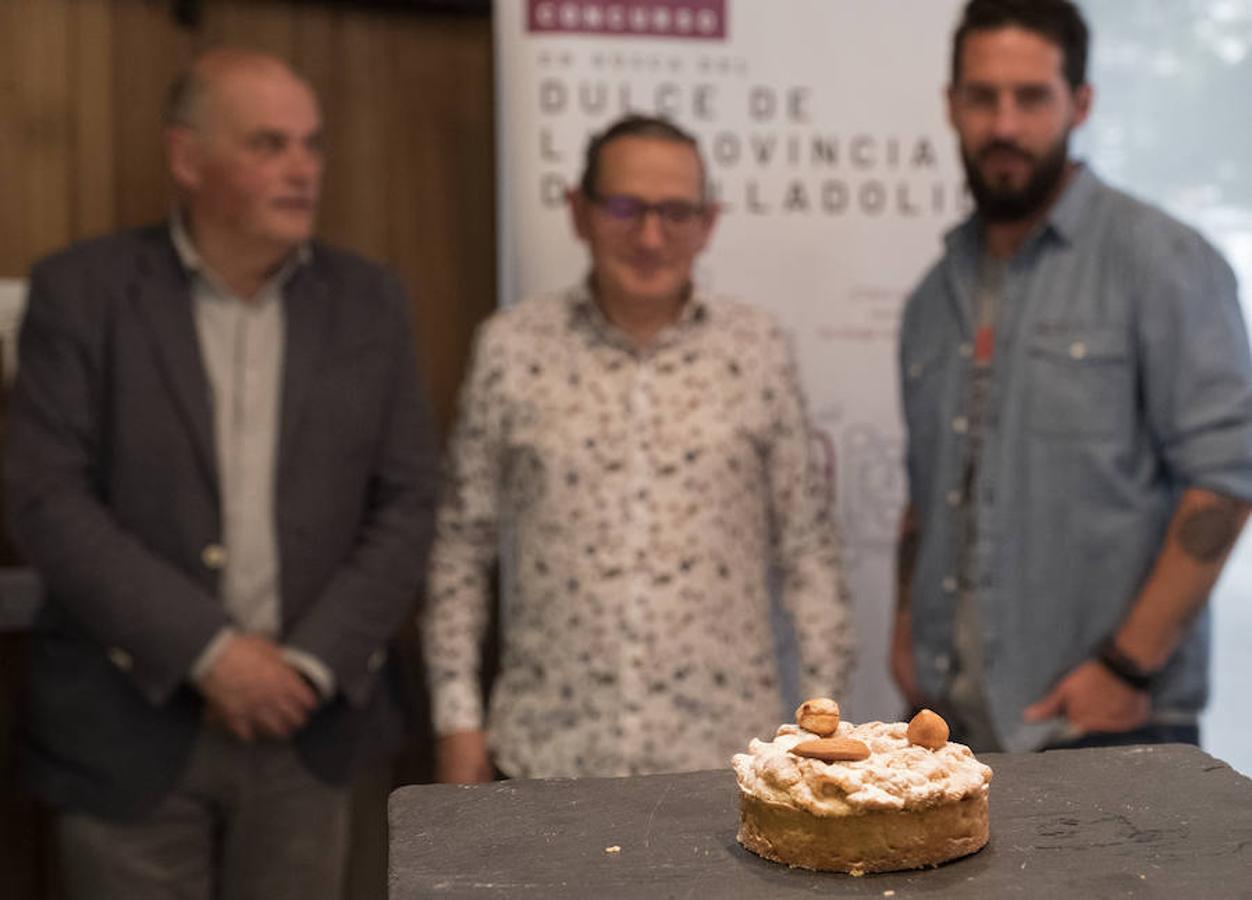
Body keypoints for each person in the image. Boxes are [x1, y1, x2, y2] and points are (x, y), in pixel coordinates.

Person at [5, 49, 438, 898]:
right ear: (186, 158)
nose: (301, 170)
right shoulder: (82, 292)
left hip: (310, 728)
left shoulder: (369, 301)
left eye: (312, 146)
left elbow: (410, 501)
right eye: (269, 145)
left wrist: (308, 665)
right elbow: (45, 499)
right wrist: (209, 654)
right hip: (125, 732)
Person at [424, 114, 853, 781]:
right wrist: (457, 721)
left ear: (708, 222)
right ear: (579, 212)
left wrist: (824, 726)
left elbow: (809, 552)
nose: (651, 237)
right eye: (626, 208)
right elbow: (461, 547)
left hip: (724, 767)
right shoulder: (511, 349)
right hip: (546, 761)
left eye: (676, 212)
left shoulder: (757, 350)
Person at [894, 0, 1252, 754]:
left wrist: (1125, 668)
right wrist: (906, 633)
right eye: (982, 97)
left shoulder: (1161, 262)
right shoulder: (932, 296)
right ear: (951, 104)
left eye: (1031, 97)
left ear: (1079, 103)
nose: (1004, 127)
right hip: (949, 731)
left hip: (1107, 727)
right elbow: (928, 488)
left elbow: (1224, 478)